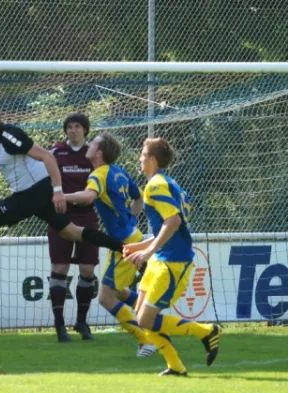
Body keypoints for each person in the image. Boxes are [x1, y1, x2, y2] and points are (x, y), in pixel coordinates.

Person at [0, 99, 124, 297]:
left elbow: (47, 157)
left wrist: (58, 191)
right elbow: (9, 157)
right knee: (73, 232)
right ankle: (126, 250)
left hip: (32, 194)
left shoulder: (10, 135)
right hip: (35, 193)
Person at [124, 137, 221, 376]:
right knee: (141, 315)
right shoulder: (167, 183)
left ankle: (206, 331)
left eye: (143, 154)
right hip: (161, 258)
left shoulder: (156, 185)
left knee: (146, 320)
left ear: (153, 160)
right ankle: (175, 367)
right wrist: (140, 247)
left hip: (173, 262)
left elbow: (174, 222)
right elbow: (165, 229)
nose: (140, 158)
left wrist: (147, 251)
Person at [64, 132, 156, 357]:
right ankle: (157, 324)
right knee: (121, 292)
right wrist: (129, 218)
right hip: (132, 236)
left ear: (99, 152)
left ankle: (146, 341)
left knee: (106, 297)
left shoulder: (99, 174)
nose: (88, 144)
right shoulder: (119, 172)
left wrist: (59, 196)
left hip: (124, 243)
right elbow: (139, 197)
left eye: (92, 142)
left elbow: (87, 197)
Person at [47, 113, 100, 342]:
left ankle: (82, 321)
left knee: (87, 270)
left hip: (88, 217)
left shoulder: (94, 155)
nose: (73, 130)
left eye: (77, 126)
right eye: (69, 127)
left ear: (85, 130)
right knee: (60, 267)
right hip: (60, 217)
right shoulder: (56, 152)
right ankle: (60, 325)